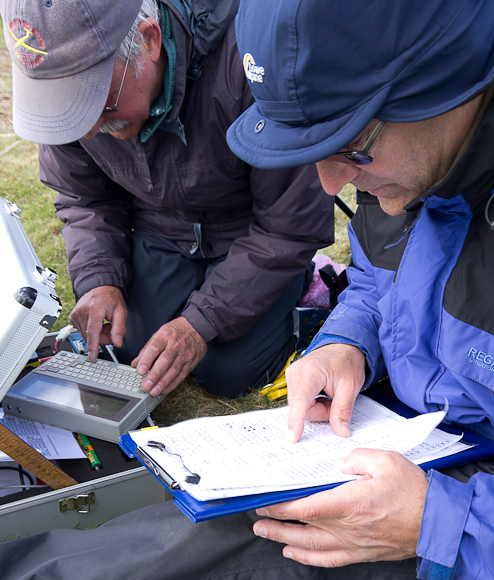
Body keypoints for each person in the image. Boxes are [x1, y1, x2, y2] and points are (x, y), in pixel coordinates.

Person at [1, 1, 493, 580]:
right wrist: (348, 340)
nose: (330, 182)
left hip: (454, 517)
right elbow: (377, 280)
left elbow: (291, 227)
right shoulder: (404, 166)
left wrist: (443, 524)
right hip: (414, 441)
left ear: (446, 86)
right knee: (195, 523)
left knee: (238, 542)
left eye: (352, 148)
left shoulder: (396, 156)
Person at [1, 0, 334, 399]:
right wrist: (100, 280)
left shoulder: (255, 57)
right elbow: (85, 199)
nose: (87, 131)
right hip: (161, 230)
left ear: (150, 41)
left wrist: (200, 323)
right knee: (124, 348)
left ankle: (309, 290)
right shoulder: (76, 118)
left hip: (249, 233)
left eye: (97, 101)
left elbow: (288, 226)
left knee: (228, 372)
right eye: (69, 108)